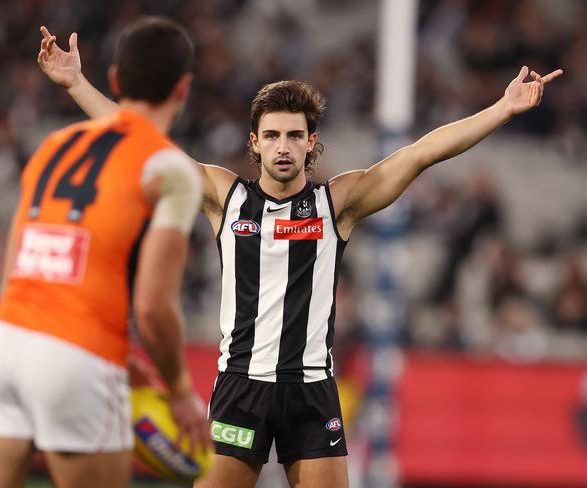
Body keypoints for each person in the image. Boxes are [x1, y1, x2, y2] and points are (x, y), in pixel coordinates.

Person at [37, 25, 562, 488]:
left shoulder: (339, 202)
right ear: (255, 143)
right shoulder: (226, 197)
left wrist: (504, 108)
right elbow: (142, 144)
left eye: (294, 135)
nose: (283, 146)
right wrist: (76, 84)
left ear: (312, 142)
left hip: (312, 391)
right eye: (272, 136)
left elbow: (422, 152)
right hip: (240, 386)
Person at [0, 17, 211, 488]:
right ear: (184, 88)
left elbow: (14, 264)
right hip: (78, 355)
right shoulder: (173, 168)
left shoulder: (53, 144)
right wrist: (179, 391)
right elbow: (154, 308)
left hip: (1, 347)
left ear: (115, 80)